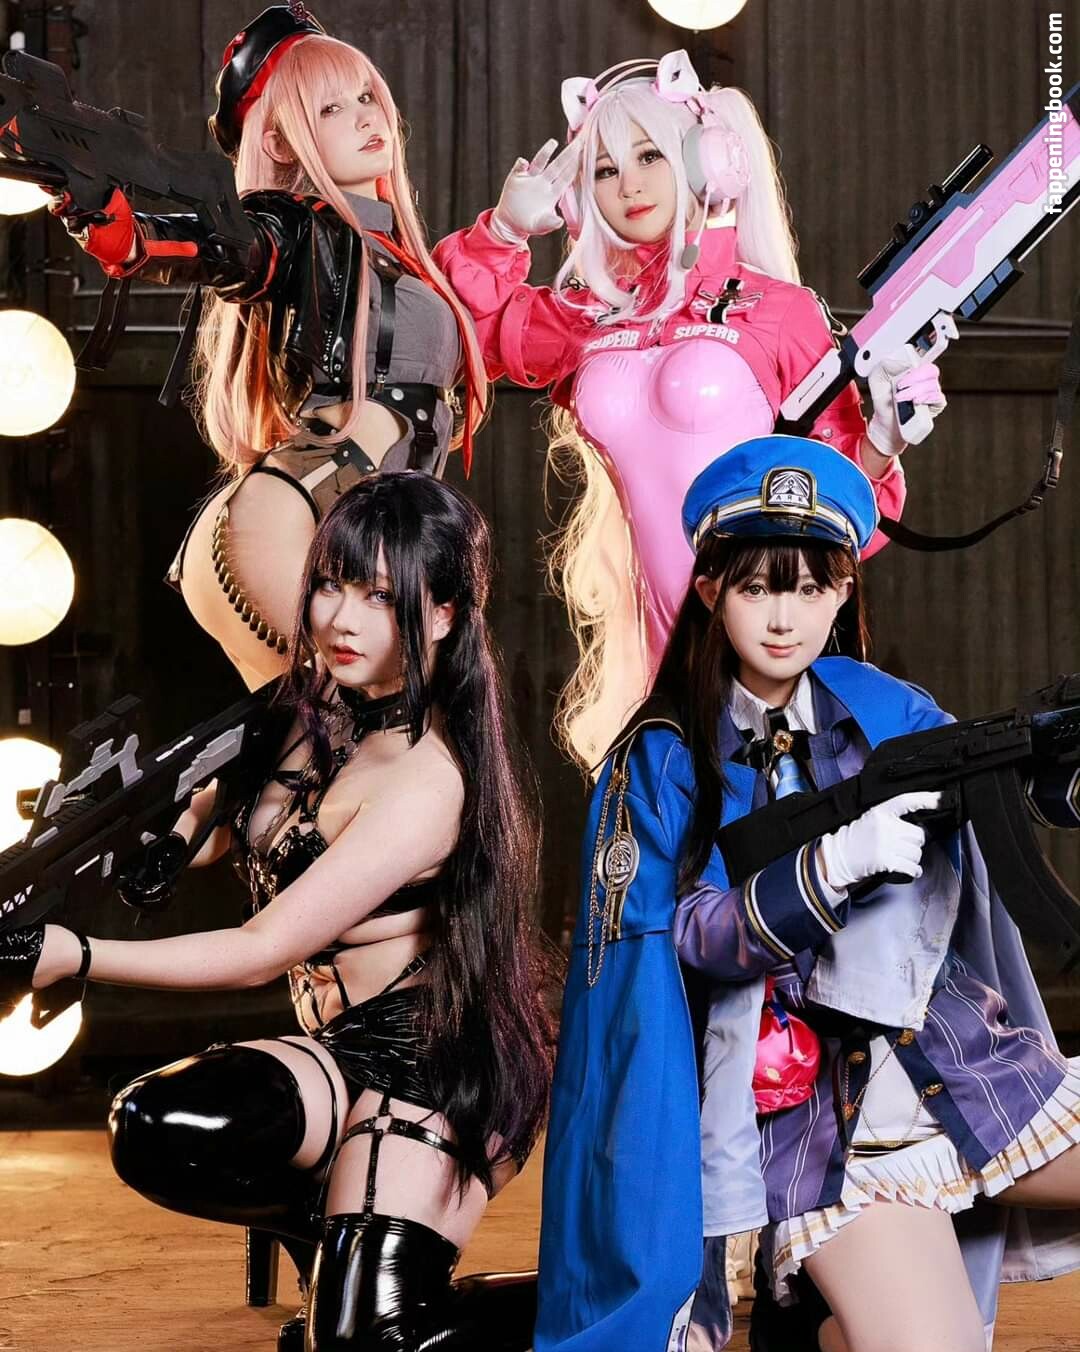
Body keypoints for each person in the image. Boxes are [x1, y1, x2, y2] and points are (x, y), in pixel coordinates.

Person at [534, 434, 1080, 1352]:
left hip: (971, 1070)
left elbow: (998, 790)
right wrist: (826, 870)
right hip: (827, 1133)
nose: (784, 617)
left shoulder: (885, 709)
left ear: (843, 591)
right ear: (710, 588)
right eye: (756, 588)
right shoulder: (667, 757)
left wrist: (1058, 782)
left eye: (810, 589)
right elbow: (684, 936)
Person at [2, 472, 551, 1351]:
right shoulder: (310, 710)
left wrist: (77, 954)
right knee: (157, 1124)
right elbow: (243, 829)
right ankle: (342, 1248)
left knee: (369, 1341)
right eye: (332, 584)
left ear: (444, 614)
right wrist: (161, 834)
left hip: (433, 1067)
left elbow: (265, 945)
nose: (341, 619)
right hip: (336, 1050)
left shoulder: (429, 778)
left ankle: (602, 1299)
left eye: (381, 597)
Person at [434, 50, 947, 770]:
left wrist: (882, 445)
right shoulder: (588, 317)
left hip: (775, 645)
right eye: (604, 170)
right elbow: (456, 337)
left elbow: (847, 525)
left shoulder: (779, 310)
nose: (628, 184)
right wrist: (503, 232)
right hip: (664, 666)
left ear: (707, 162)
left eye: (650, 156)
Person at [54, 3, 488, 691]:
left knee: (315, 746)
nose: (366, 117)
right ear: (281, 144)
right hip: (303, 520)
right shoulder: (304, 230)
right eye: (330, 109)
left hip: (323, 523)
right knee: (386, 730)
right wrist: (126, 233)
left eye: (366, 96)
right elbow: (236, 245)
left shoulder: (388, 250)